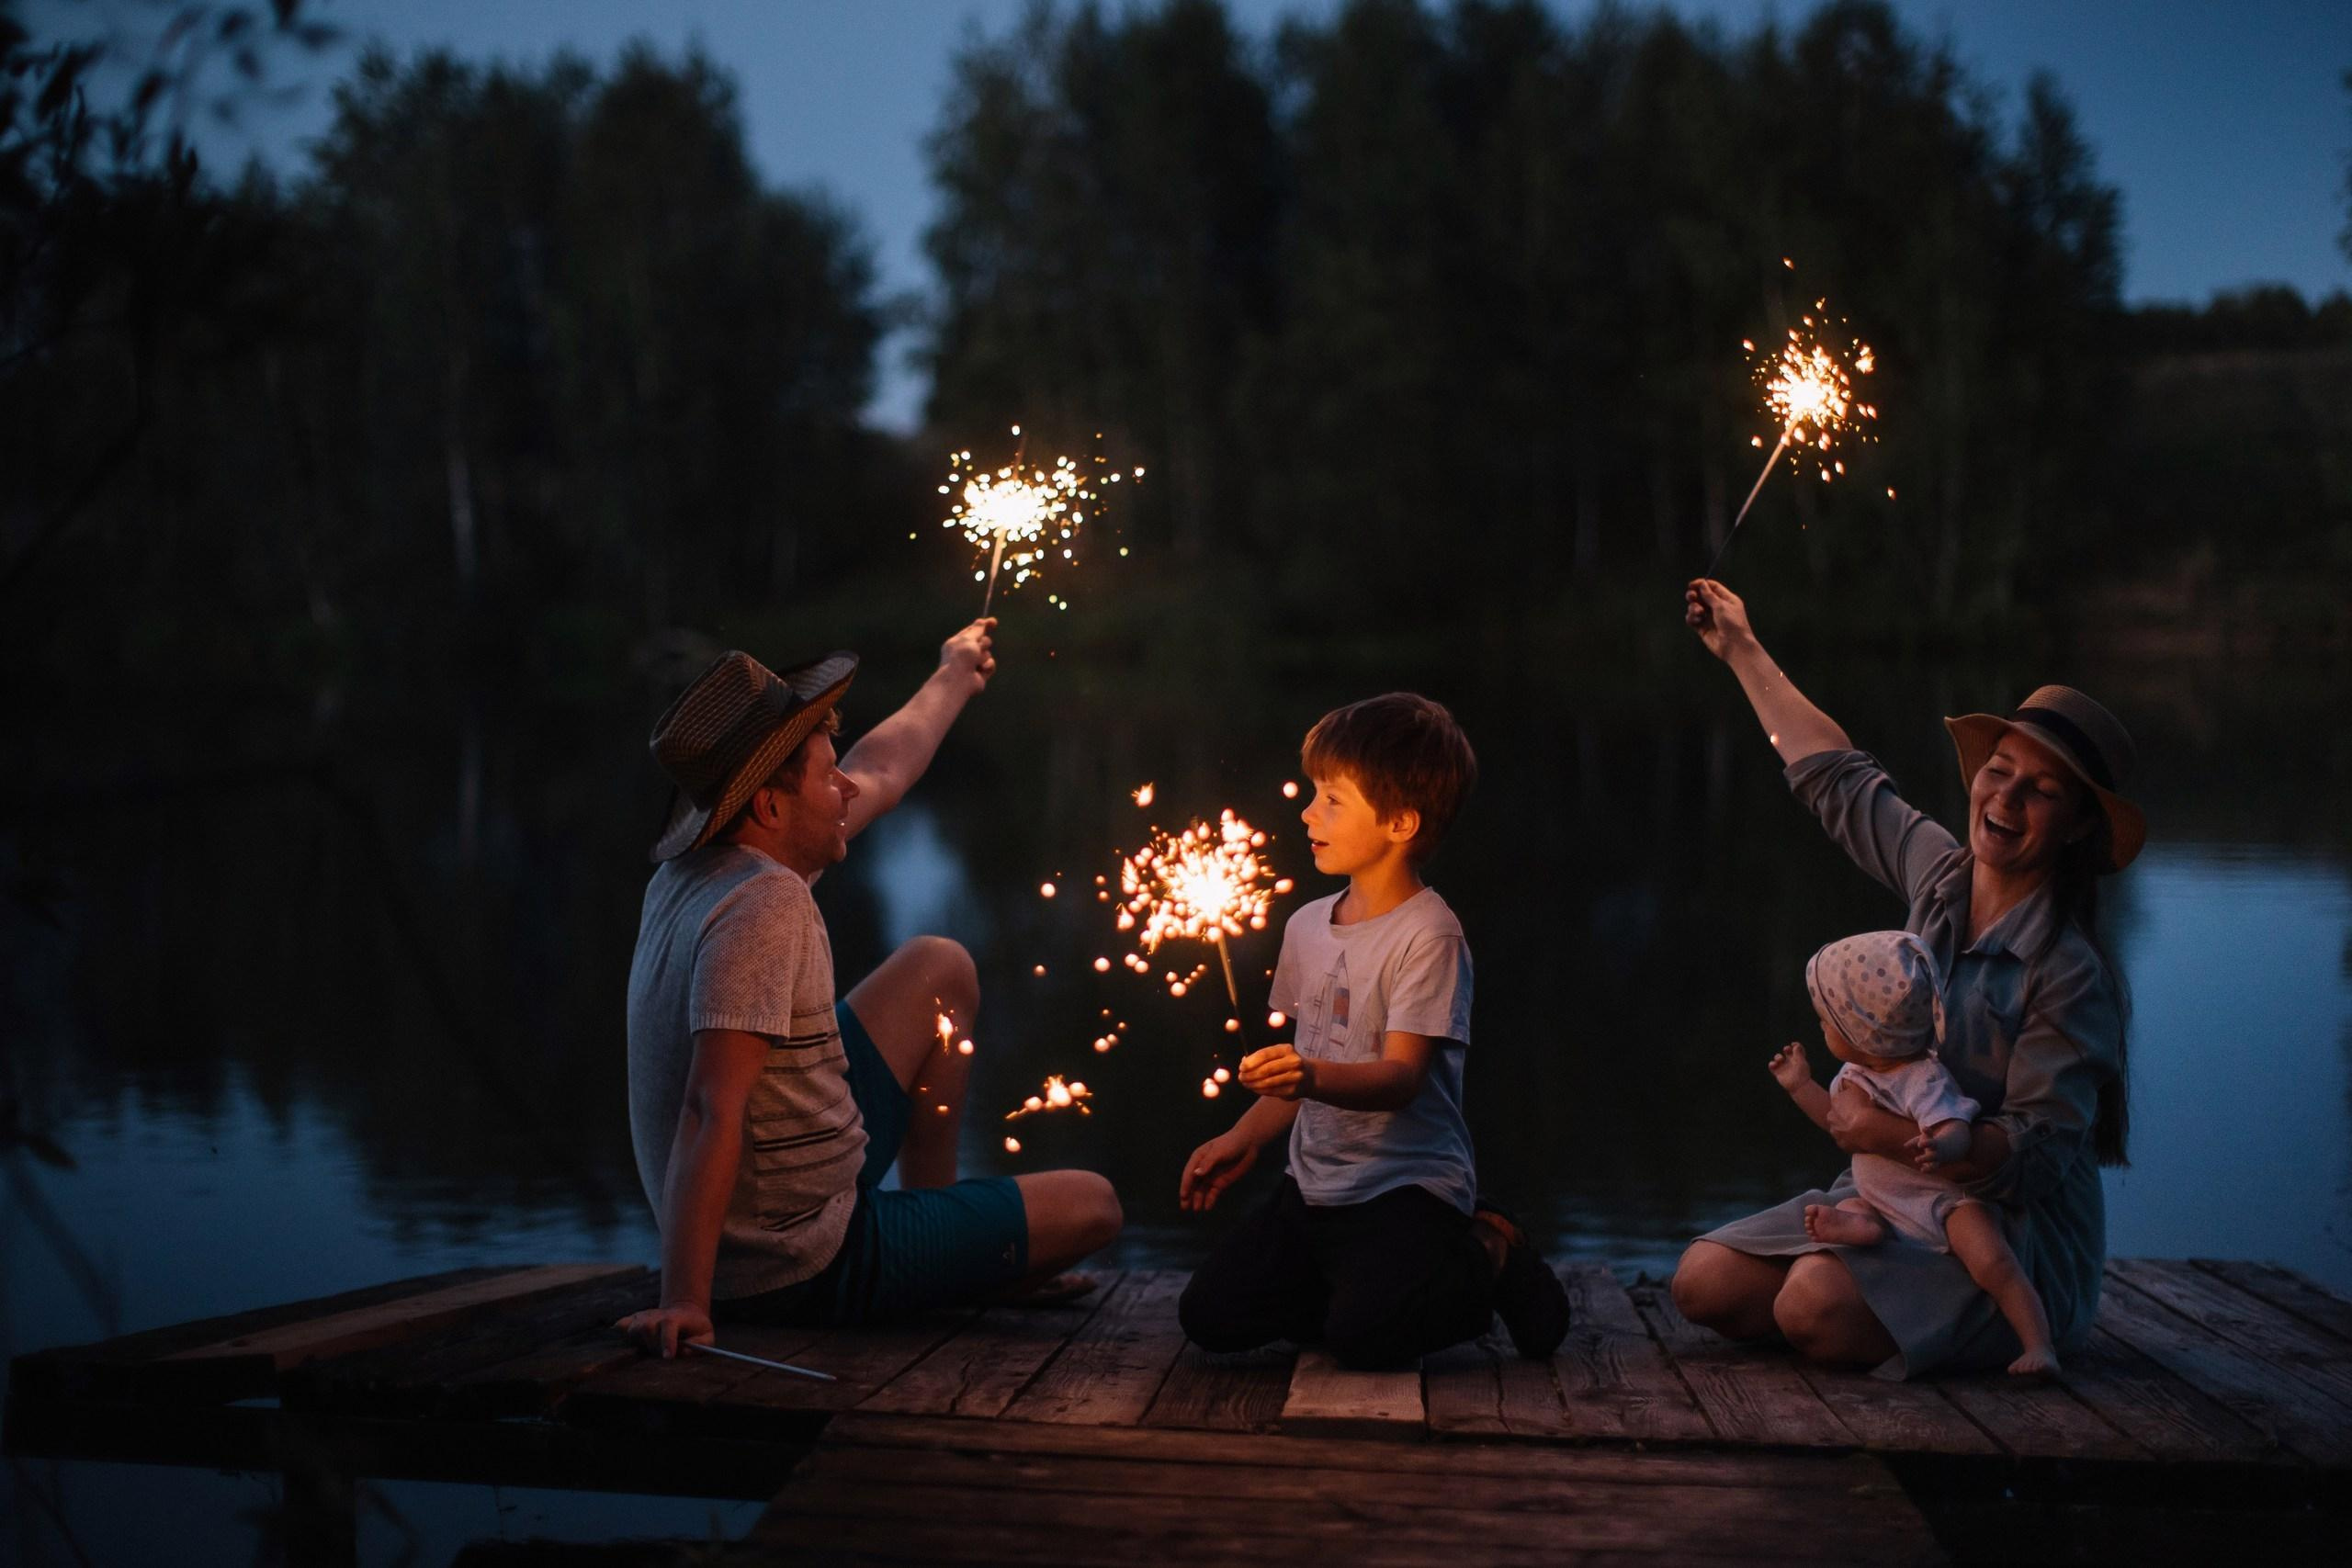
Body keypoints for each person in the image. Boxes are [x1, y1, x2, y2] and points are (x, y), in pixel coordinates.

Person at [1674, 577, 2140, 1379]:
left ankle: (1885, 1310)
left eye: (2044, 790)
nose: (2008, 798)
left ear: (2079, 828)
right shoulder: (1939, 880)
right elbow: (1840, 782)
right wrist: (1742, 649)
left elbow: (2027, 1163)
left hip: (2006, 1247)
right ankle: (1864, 1298)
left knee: (1808, 1303)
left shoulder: (2070, 973)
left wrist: (1883, 1135)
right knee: (1700, 1282)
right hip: (1892, 1206)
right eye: (2000, 770)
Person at [616, 622, 1122, 1358]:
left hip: (774, 1197)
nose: (847, 786)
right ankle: (945, 1270)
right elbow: (708, 1105)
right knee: (1095, 1206)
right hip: (796, 1261)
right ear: (769, 808)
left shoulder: (711, 865)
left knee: (940, 966)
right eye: (827, 776)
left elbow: (881, 766)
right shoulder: (762, 907)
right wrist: (686, 1301)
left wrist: (953, 672)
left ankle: (939, 1232)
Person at [1173, 693, 1570, 1369]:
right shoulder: (1306, 925)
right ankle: (1359, 1291)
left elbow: (1399, 1079)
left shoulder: (1430, 934)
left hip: (1407, 1190)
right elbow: (1307, 1066)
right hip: (1315, 1188)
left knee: (1368, 1336)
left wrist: (1308, 1074)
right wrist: (1242, 1136)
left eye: (1332, 799)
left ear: (1400, 821)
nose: (1307, 812)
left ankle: (1489, 1248)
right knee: (1209, 1316)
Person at [1770, 931, 2059, 1376]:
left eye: (1829, 1021)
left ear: (1864, 1031)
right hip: (1883, 1201)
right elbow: (1835, 1121)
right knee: (1851, 1204)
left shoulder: (1921, 1079)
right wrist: (1800, 1086)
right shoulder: (1854, 1075)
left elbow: (1955, 1126)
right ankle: (1863, 1226)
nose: (1822, 1027)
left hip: (1941, 1203)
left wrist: (1942, 1144)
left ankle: (2037, 1344)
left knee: (1994, 1262)